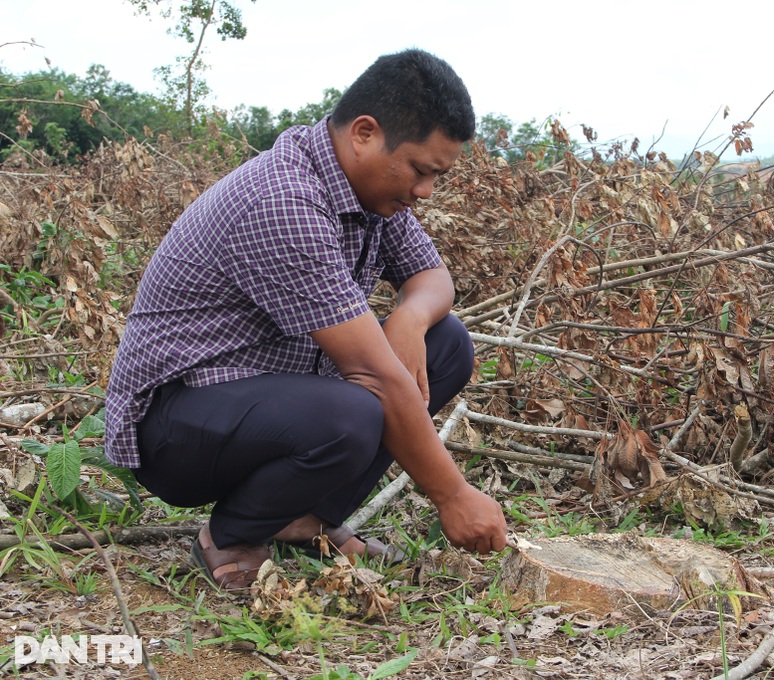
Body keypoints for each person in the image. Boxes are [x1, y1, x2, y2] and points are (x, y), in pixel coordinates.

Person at [103, 48, 508, 589]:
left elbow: (434, 281)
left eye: (436, 176)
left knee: (447, 341)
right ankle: (231, 536)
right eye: (419, 169)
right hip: (174, 426)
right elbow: (376, 377)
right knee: (356, 409)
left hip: (268, 404)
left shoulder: (370, 194)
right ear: (364, 133)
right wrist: (453, 496)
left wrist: (408, 321)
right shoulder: (284, 199)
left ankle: (304, 518)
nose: (425, 191)